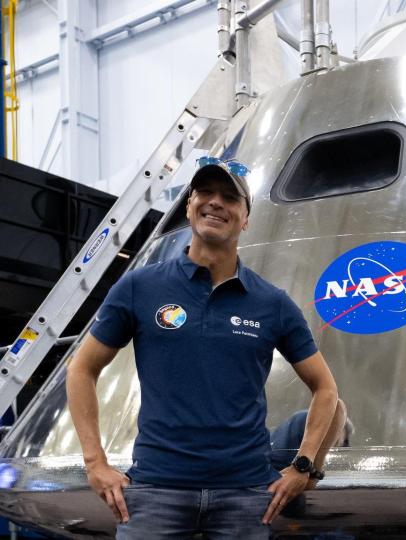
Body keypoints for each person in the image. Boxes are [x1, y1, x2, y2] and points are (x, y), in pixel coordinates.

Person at [66, 157, 339, 539]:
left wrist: (303, 466)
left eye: (229, 198)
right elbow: (81, 369)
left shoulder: (272, 303)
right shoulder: (139, 288)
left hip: (244, 497)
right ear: (189, 204)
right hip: (156, 491)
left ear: (245, 219)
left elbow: (326, 389)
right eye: (205, 193)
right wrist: (95, 463)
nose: (215, 202)